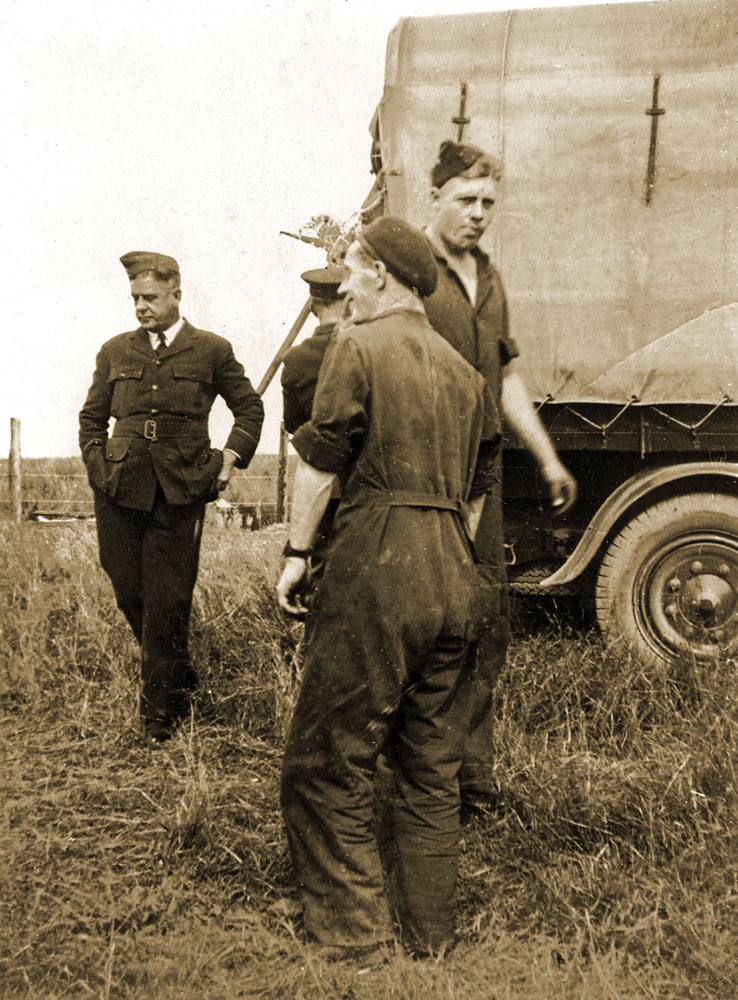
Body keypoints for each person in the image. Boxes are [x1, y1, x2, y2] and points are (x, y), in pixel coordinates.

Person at [276, 217, 500, 957]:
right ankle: (431, 938)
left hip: (377, 560)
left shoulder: (356, 346)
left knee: (326, 759)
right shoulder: (466, 374)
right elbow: (477, 490)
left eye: (351, 271)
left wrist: (297, 554)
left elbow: (322, 464)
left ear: (377, 274)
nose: (343, 286)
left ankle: (354, 943)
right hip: (455, 569)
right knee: (430, 767)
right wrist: (444, 553)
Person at [423, 141, 577, 802]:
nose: (479, 213)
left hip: (481, 479)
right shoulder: (410, 273)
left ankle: (471, 780)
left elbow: (505, 375)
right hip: (424, 483)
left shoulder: (489, 276)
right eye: (466, 199)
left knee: (486, 627)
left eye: (489, 202)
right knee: (428, 632)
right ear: (434, 198)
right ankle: (422, 784)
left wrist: (547, 457)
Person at [79, 251, 264, 744]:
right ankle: (176, 674)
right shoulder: (115, 350)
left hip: (181, 486)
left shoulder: (212, 349)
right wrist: (98, 466)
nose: (141, 306)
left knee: (167, 597)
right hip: (120, 485)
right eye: (135, 298)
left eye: (151, 297)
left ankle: (159, 713)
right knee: (126, 585)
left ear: (176, 294)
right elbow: (91, 418)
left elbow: (249, 407)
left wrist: (230, 458)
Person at [280, 265, 346, 617]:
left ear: (314, 304)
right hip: (365, 486)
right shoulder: (368, 352)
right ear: (349, 300)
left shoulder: (296, 359)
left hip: (316, 484)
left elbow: (294, 426)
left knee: (320, 571)